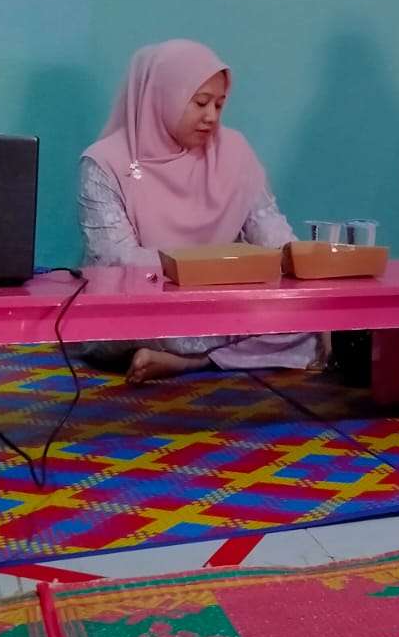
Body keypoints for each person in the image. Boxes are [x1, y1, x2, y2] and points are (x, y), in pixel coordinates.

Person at [78, 39, 317, 383]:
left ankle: (189, 362)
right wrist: (204, 269)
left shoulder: (234, 152)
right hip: (141, 309)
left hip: (219, 305)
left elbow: (272, 233)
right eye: (200, 103)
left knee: (307, 321)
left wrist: (311, 274)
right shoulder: (105, 162)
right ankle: (213, 354)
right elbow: (116, 261)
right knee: (115, 327)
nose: (211, 117)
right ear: (161, 96)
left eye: (219, 104)